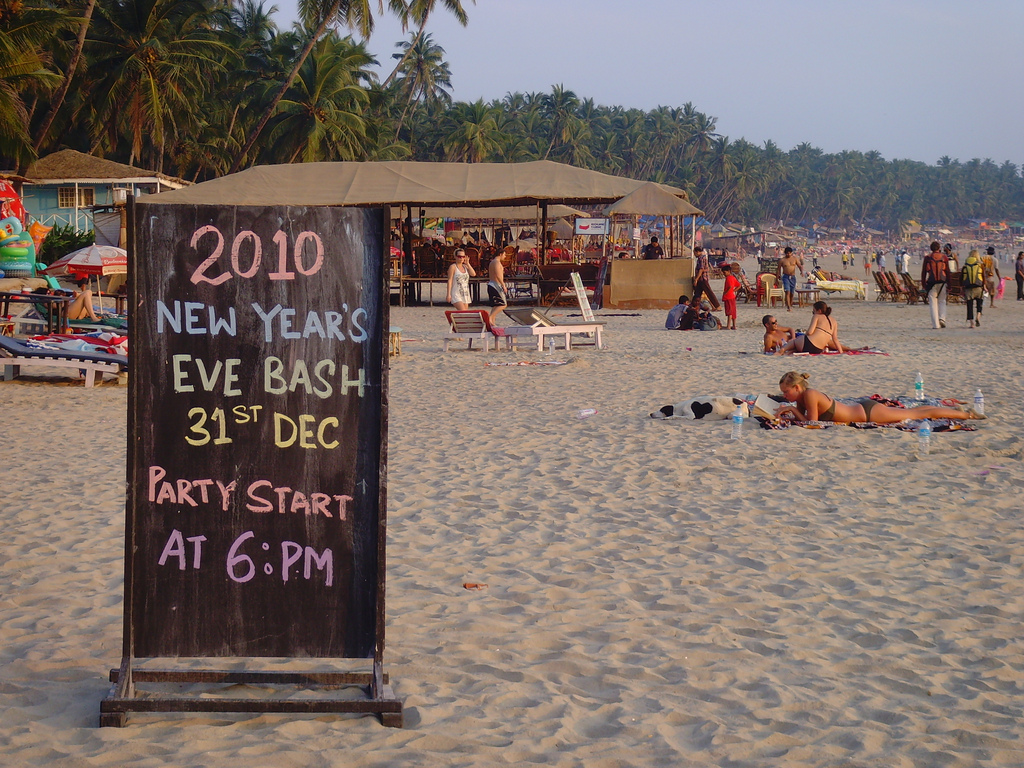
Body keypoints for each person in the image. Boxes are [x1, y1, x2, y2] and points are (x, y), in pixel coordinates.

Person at [775, 371, 986, 424]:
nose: (785, 396)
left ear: (797, 387)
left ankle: (966, 415)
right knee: (912, 413)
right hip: (862, 409)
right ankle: (958, 412)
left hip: (868, 413)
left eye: (787, 392)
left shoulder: (810, 394)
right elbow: (804, 420)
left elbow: (812, 423)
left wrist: (793, 411)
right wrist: (789, 412)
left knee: (915, 414)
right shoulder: (802, 398)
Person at [779, 301, 843, 354]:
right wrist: (841, 352)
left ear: (819, 311)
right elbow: (835, 339)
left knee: (795, 341)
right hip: (818, 349)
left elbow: (810, 332)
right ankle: (790, 351)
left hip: (808, 344)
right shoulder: (834, 321)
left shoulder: (817, 316)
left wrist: (802, 337)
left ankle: (782, 350)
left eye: (813, 311)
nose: (813, 313)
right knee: (798, 345)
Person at [921, 241, 949, 329]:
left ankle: (936, 325)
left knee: (933, 303)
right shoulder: (944, 257)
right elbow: (948, 271)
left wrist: (924, 284)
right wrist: (950, 284)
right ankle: (942, 318)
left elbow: (924, 272)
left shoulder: (928, 258)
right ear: (939, 248)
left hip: (932, 282)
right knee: (942, 301)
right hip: (942, 282)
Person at [690, 245, 721, 311]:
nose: (694, 254)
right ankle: (693, 305)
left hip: (702, 279)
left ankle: (717, 306)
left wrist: (696, 279)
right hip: (701, 279)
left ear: (698, 252)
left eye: (694, 252)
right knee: (697, 293)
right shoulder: (702, 258)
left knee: (709, 292)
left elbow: (701, 269)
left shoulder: (701, 258)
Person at [486, 246, 511, 322]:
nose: (505, 256)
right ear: (500, 254)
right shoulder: (496, 262)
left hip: (493, 284)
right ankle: (490, 318)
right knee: (503, 304)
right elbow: (498, 274)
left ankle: (492, 321)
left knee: (496, 305)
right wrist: (503, 285)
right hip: (496, 284)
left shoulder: (493, 262)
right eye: (504, 254)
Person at [961, 249, 984, 328]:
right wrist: (984, 286)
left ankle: (972, 323)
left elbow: (961, 278)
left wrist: (962, 287)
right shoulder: (980, 265)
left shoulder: (965, 265)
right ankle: (978, 316)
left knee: (969, 305)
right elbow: (983, 277)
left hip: (968, 287)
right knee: (979, 303)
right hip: (978, 287)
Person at [776, 247, 801, 312]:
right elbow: (778, 270)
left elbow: (799, 266)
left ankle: (790, 303)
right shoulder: (782, 260)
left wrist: (801, 272)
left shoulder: (795, 259)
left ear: (791, 253)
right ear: (785, 253)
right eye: (787, 253)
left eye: (789, 253)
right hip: (785, 277)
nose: (788, 254)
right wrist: (777, 278)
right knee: (787, 292)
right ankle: (789, 307)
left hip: (792, 277)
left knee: (792, 292)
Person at [721, 263, 740, 330]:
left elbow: (730, 286)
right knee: (733, 311)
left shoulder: (728, 278)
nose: (724, 274)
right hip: (732, 296)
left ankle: (728, 326)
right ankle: (734, 325)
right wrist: (734, 290)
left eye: (724, 272)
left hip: (728, 297)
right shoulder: (733, 278)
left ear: (729, 271)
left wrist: (725, 292)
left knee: (729, 312)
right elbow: (739, 285)